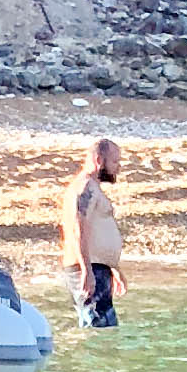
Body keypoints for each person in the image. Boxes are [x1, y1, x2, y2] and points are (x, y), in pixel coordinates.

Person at [61, 136, 127, 329]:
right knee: (95, 327)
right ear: (99, 160)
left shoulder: (93, 187)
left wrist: (113, 267)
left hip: (98, 269)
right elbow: (77, 228)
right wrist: (87, 271)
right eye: (115, 161)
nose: (118, 167)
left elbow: (97, 230)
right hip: (89, 268)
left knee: (107, 328)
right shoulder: (85, 188)